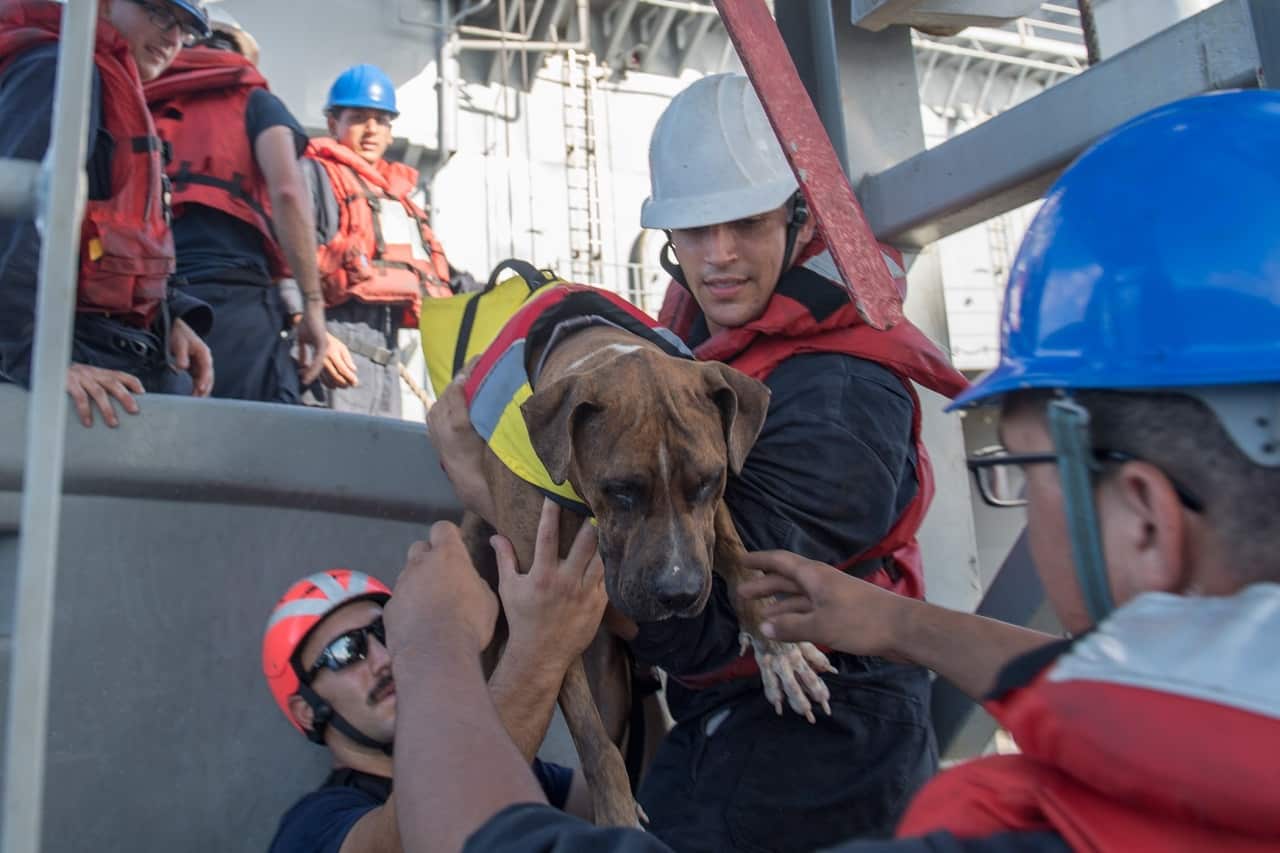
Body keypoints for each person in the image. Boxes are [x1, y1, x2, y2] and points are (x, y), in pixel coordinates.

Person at [384, 90, 1280, 853]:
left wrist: (439, 633)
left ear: (1146, 515)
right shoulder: (695, 359)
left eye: (1028, 462)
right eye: (696, 230)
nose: (720, 253)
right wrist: (902, 622)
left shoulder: (842, 391)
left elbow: (693, 614)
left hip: (817, 730)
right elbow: (1093, 686)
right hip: (727, 719)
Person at [263, 499, 606, 852]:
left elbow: (630, 806)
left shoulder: (519, 765)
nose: (383, 658)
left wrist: (635, 668)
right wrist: (542, 648)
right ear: (308, 710)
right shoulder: (312, 827)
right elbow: (418, 838)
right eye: (346, 652)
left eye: (385, 632)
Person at [0, 0, 215, 428]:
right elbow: (16, 220)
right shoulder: (55, 73)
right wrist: (35, 361)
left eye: (185, 29)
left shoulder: (103, 78)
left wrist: (169, 317)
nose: (173, 38)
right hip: (68, 359)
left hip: (115, 350)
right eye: (159, 14)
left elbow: (119, 229)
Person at [144, 6, 327, 403]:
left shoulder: (142, 95)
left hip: (150, 298)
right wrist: (312, 304)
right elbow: (289, 192)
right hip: (233, 298)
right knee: (254, 442)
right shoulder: (255, 99)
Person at [301, 63, 457, 417]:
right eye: (358, 117)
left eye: (381, 120)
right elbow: (287, 258)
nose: (371, 129)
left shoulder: (397, 200)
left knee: (379, 461)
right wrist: (309, 330)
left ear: (390, 131)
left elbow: (440, 276)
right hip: (334, 352)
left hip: (386, 365)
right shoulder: (314, 176)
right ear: (332, 124)